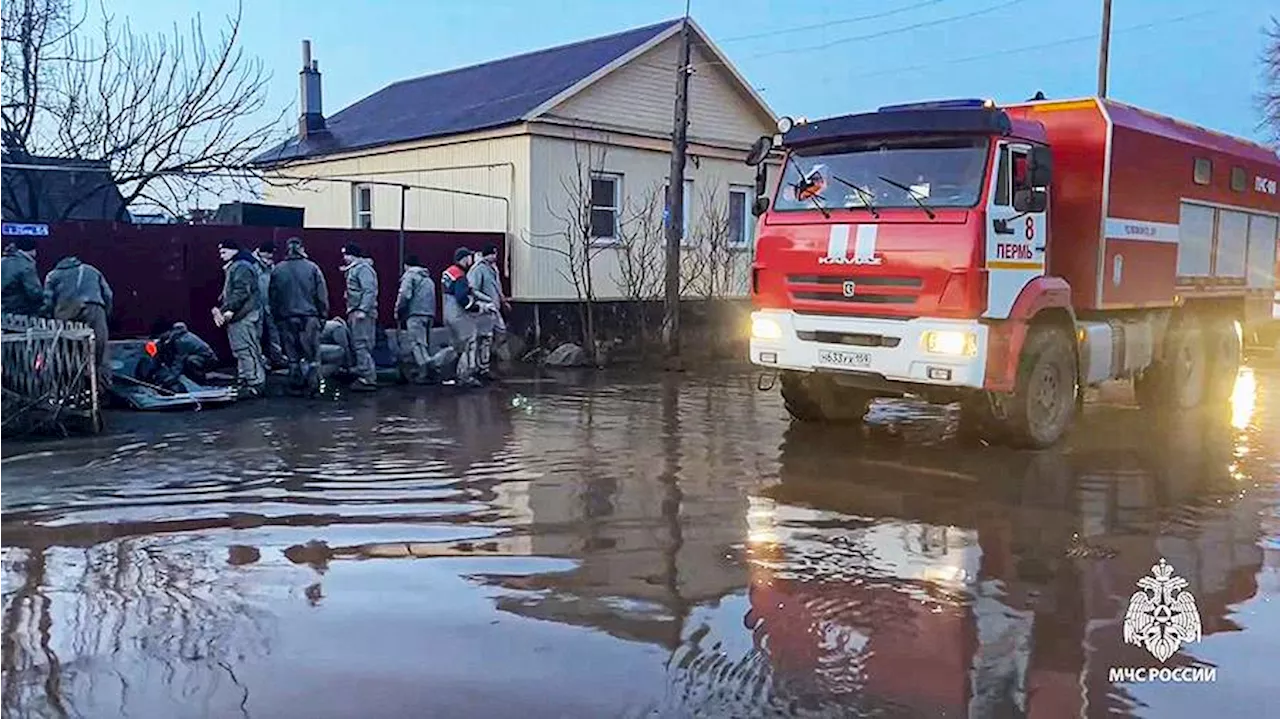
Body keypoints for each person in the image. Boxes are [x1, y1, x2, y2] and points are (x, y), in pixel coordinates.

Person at [41, 254, 113, 390]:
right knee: (99, 350)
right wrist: (105, 314)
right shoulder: (92, 270)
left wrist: (49, 319)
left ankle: (69, 386)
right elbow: (108, 294)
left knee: (67, 350)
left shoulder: (53, 275)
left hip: (65, 312)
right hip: (94, 307)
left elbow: (48, 302)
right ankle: (101, 388)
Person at [270, 236, 329, 395]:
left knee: (292, 356)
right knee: (312, 357)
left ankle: (295, 386)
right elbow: (321, 295)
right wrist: (322, 316)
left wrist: (276, 318)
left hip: (286, 318)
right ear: (302, 248)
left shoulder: (278, 270)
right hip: (309, 318)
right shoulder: (312, 268)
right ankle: (314, 387)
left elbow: (273, 297)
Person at [214, 240, 265, 397]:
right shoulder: (241, 265)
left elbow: (241, 292)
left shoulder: (240, 266)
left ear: (233, 250)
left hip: (243, 315)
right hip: (243, 314)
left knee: (246, 350)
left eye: (224, 252)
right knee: (243, 350)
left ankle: (255, 383)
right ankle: (247, 380)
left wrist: (228, 308)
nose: (221, 255)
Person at [442, 246, 484, 389]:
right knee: (469, 343)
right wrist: (476, 307)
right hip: (458, 315)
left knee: (455, 347)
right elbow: (461, 298)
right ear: (464, 258)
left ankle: (448, 376)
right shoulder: (460, 275)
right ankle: (466, 376)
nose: (471, 260)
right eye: (470, 257)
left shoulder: (448, 272)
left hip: (447, 314)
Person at [466, 244, 507, 382]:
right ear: (487, 254)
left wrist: (503, 301)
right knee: (484, 339)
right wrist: (485, 301)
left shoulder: (493, 269)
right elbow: (472, 289)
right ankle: (482, 368)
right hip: (484, 311)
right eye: (493, 254)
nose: (495, 257)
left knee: (501, 333)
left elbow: (497, 286)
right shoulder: (478, 270)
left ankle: (486, 361)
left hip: (494, 309)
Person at [341, 242, 378, 391]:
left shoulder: (363, 269)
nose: (344, 257)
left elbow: (369, 290)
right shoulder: (357, 269)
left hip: (361, 313)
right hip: (356, 311)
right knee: (360, 345)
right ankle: (366, 374)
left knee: (361, 344)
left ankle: (367, 378)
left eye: (345, 254)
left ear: (351, 255)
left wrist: (363, 309)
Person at [395, 254, 436, 384]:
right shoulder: (428, 278)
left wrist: (398, 310)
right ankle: (429, 370)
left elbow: (405, 295)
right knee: (425, 344)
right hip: (429, 314)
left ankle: (424, 373)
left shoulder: (410, 276)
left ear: (406, 265)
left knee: (417, 344)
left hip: (415, 314)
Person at [253, 240, 286, 370]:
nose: (270, 259)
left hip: (269, 303)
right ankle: (258, 359)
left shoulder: (271, 266)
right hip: (256, 304)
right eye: (268, 256)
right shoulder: (253, 265)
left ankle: (277, 357)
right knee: (257, 333)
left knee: (274, 332)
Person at [0, 237, 42, 315]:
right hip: (19, 310)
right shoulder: (26, 265)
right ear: (32, 250)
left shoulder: (2, 261)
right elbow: (34, 292)